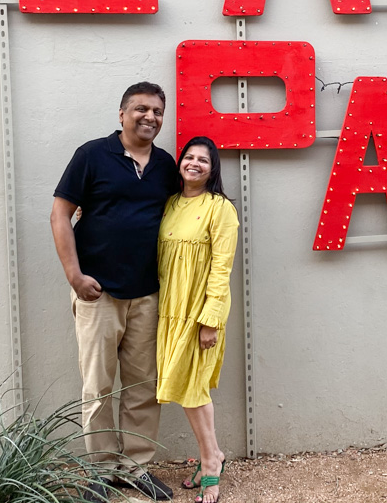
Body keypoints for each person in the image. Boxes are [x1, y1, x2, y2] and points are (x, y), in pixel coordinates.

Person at [50, 81, 178, 502]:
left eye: (158, 111)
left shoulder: (164, 165)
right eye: (141, 109)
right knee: (99, 385)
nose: (151, 117)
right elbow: (60, 214)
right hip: (97, 293)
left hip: (147, 293)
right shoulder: (91, 155)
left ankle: (135, 467)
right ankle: (101, 471)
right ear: (121, 114)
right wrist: (74, 275)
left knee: (143, 386)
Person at [156, 136, 239, 503]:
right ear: (180, 163)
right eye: (188, 157)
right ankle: (214, 455)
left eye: (202, 160)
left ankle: (210, 462)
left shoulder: (220, 208)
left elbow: (222, 268)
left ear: (212, 169)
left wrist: (210, 320)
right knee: (186, 387)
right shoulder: (171, 203)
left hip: (199, 311)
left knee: (194, 388)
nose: (194, 163)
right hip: (170, 309)